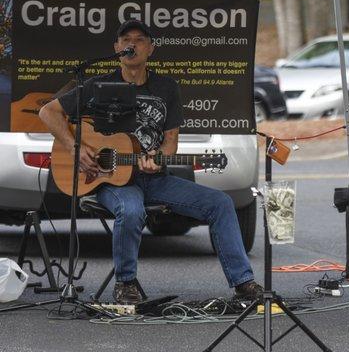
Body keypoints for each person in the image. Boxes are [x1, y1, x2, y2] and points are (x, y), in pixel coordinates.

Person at [39, 19, 263, 304]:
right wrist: (75, 147)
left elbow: (171, 142)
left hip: (155, 179)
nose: (132, 43)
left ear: (151, 49)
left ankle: (243, 282)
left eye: (140, 39)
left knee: (220, 203)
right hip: (109, 180)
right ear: (117, 48)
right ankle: (126, 284)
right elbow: (48, 112)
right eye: (126, 39)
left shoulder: (166, 88)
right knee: (130, 210)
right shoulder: (97, 85)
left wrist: (158, 158)